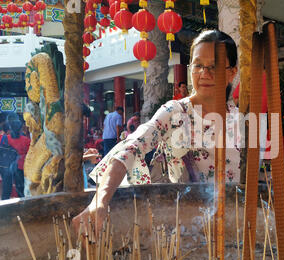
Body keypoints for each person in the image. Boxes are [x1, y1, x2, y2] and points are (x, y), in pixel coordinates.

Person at [73, 29, 240, 233]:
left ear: (232, 72)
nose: (204, 74)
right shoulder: (175, 112)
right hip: (186, 227)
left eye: (213, 67)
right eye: (198, 66)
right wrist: (99, 202)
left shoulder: (241, 120)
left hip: (233, 226)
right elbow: (131, 148)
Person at [1, 120, 30, 199]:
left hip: (6, 167)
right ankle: (22, 207)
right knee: (20, 190)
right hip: (20, 168)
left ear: (10, 128)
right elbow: (29, 155)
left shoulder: (4, 138)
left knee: (6, 191)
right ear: (21, 129)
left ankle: (4, 208)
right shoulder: (26, 140)